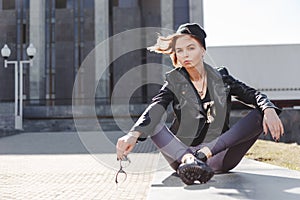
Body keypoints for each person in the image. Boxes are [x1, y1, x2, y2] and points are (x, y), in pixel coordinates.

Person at [116, 23, 284, 185]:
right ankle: (190, 161)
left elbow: (253, 94)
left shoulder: (221, 77)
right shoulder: (174, 80)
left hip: (218, 154)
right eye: (180, 51)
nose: (185, 55)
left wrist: (268, 108)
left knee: (260, 113)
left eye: (191, 48)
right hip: (181, 156)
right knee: (154, 122)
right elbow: (156, 106)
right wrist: (133, 134)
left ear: (202, 50)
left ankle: (202, 156)